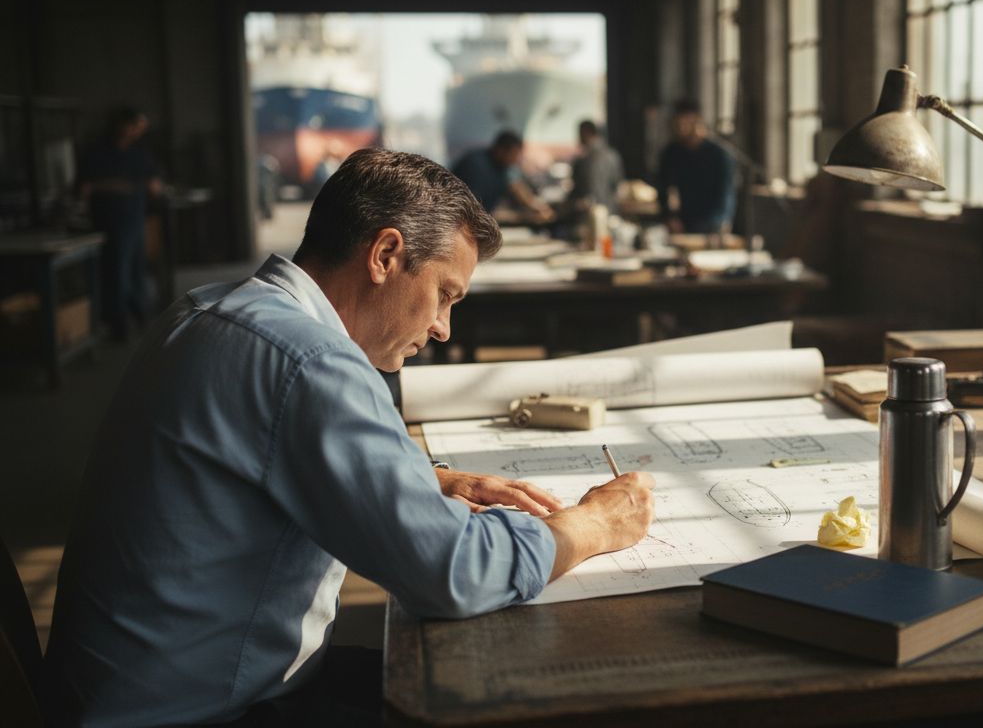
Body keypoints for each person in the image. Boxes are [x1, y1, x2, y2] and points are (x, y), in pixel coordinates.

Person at [42, 148, 656, 726]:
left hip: (125, 694)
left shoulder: (209, 310)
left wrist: (433, 479)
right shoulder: (311, 361)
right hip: (208, 712)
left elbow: (259, 453)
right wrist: (591, 524)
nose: (443, 327)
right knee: (517, 690)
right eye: (444, 294)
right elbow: (452, 571)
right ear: (385, 255)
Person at [77, 106, 163, 340]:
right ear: (122, 125)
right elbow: (84, 187)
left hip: (133, 218)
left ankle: (140, 315)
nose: (137, 132)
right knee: (116, 271)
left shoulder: (139, 152)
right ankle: (118, 323)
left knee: (135, 269)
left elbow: (154, 184)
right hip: (108, 219)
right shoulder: (97, 152)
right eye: (134, 126)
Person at [655, 99, 736, 234]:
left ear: (698, 122)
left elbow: (726, 194)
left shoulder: (719, 155)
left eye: (686, 123)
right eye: (678, 124)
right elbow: (663, 188)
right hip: (683, 223)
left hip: (713, 224)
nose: (682, 128)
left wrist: (719, 222)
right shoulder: (672, 153)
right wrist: (669, 217)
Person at [450, 130, 554, 223]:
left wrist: (535, 206)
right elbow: (473, 212)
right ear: (500, 150)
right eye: (513, 155)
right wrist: (524, 217)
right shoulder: (476, 167)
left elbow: (515, 186)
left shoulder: (502, 166)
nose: (514, 160)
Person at [567, 119, 624, 211]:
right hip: (611, 210)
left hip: (590, 213)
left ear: (586, 133)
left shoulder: (583, 159)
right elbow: (618, 184)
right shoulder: (613, 155)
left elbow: (578, 189)